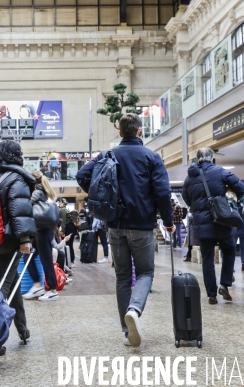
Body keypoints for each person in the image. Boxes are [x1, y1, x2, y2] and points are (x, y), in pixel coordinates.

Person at [77, 113, 174, 348]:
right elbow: (162, 193)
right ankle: (135, 309)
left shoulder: (107, 155)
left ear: (120, 133)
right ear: (140, 132)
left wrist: (100, 194)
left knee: (122, 277)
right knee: (145, 273)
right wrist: (168, 221)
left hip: (115, 225)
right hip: (141, 225)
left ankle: (126, 331)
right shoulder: (152, 157)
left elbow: (82, 175)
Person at [0, 141, 37, 344]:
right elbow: (19, 210)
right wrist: (25, 239)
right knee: (0, 292)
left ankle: (22, 330)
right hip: (9, 242)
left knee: (11, 282)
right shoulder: (17, 178)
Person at [183, 149, 244, 304]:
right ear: (211, 158)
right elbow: (241, 187)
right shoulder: (220, 172)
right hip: (222, 220)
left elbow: (186, 197)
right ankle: (224, 284)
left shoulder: (189, 178)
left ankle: (211, 294)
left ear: (197, 159)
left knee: (208, 258)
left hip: (202, 224)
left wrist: (197, 208)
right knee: (229, 251)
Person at [24, 171, 59, 301]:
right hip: (43, 229)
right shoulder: (42, 191)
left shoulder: (37, 191)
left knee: (46, 260)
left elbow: (26, 205)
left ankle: (53, 290)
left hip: (43, 230)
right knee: (27, 255)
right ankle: (37, 285)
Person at [233, 201, 244, 272]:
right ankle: (231, 266)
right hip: (235, 226)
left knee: (243, 247)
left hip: (243, 227)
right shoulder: (232, 200)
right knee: (233, 247)